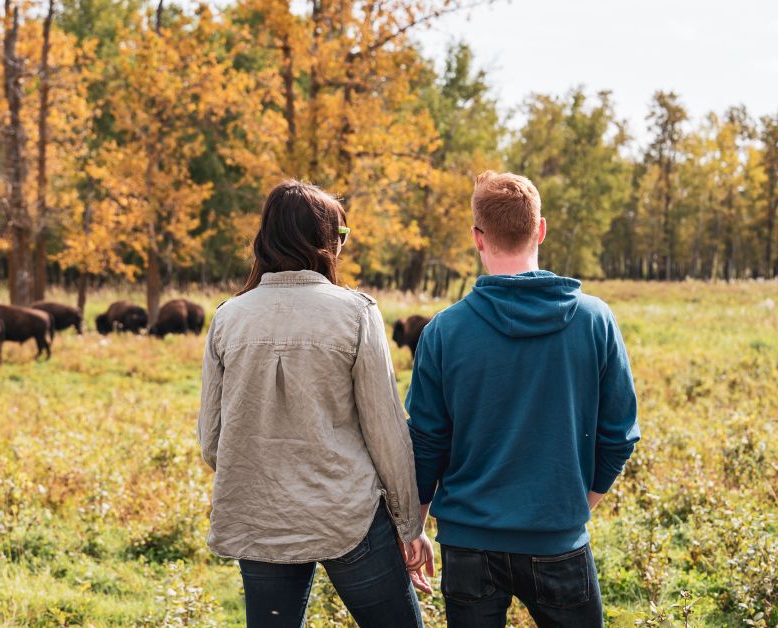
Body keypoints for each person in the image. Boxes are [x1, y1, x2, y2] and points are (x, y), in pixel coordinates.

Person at [406, 171, 640, 627]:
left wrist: (414, 527)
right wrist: (573, 507)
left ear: (478, 238)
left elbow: (425, 443)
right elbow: (619, 436)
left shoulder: (443, 331)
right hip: (558, 540)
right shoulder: (596, 320)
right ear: (541, 229)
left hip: (469, 543)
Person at [198, 180, 431, 627]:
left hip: (260, 521)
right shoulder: (357, 313)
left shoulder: (227, 317)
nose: (342, 247)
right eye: (340, 237)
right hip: (348, 516)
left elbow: (212, 442)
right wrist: (410, 527)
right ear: (323, 242)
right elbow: (387, 434)